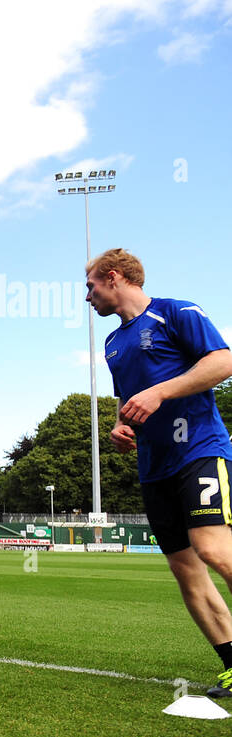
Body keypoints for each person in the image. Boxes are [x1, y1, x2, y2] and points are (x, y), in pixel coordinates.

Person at [90, 248, 232, 698]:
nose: (88, 296)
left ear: (114, 278)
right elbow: (127, 400)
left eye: (91, 286)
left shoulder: (176, 312)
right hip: (153, 469)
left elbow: (223, 362)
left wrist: (158, 393)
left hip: (199, 450)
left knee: (213, 548)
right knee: (185, 568)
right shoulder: (112, 344)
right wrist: (119, 425)